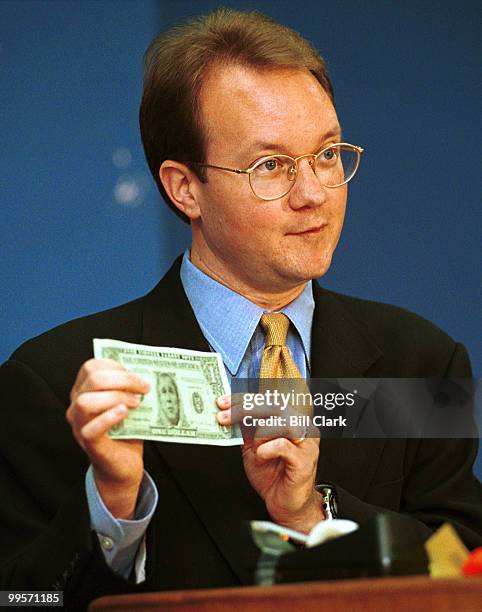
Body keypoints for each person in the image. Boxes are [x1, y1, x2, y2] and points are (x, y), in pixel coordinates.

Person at [0, 8, 480, 610]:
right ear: (185, 188)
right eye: (270, 166)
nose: (313, 195)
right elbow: (18, 599)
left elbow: (464, 568)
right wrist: (112, 507)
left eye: (327, 154)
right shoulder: (55, 380)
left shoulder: (422, 364)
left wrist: (312, 512)